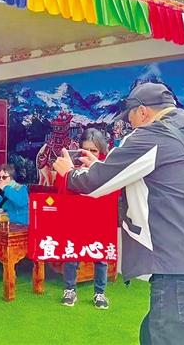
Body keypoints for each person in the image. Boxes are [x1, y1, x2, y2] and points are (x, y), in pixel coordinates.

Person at [52, 83, 184, 345]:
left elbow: (93, 185)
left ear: (142, 112)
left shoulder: (151, 135)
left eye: (129, 117)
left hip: (181, 266)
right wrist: (101, 167)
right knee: (151, 334)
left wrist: (69, 173)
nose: (129, 124)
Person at [61, 129, 110, 309]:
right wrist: (70, 174)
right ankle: (69, 290)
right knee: (71, 254)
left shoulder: (106, 167)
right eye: (85, 149)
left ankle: (100, 293)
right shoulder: (72, 165)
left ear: (101, 150)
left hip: (99, 217)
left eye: (94, 150)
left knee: (100, 256)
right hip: (75, 216)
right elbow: (64, 190)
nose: (89, 154)